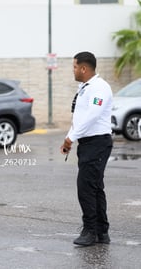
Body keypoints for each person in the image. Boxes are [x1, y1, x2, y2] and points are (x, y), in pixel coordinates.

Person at [60, 51, 113, 246]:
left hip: (97, 143)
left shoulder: (99, 88)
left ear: (83, 68)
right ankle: (101, 232)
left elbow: (92, 115)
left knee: (86, 188)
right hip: (88, 143)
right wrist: (70, 136)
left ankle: (90, 231)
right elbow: (80, 117)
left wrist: (70, 138)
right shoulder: (84, 87)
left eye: (74, 67)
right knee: (95, 187)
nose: (73, 70)